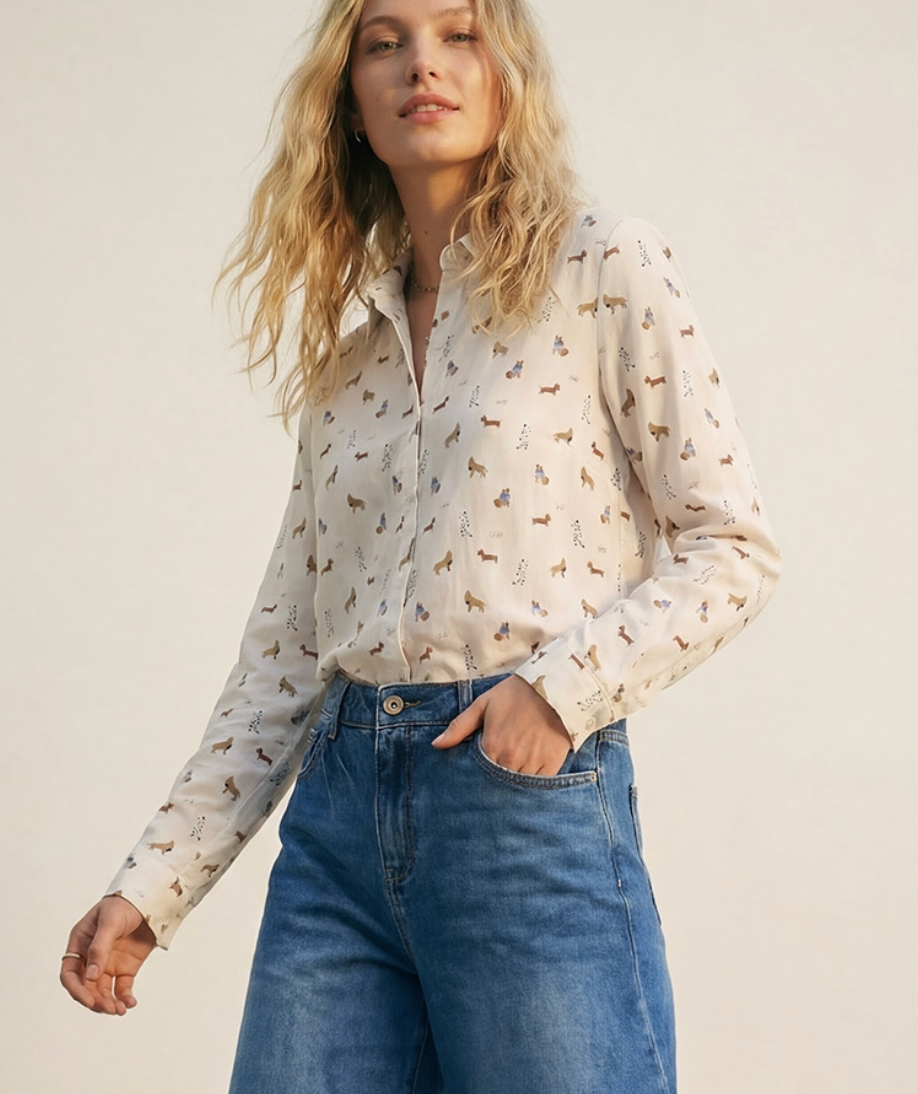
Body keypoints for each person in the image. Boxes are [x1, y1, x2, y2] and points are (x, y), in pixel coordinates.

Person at [60, 1, 781, 1090]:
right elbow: (285, 654)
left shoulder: (602, 267)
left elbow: (732, 545)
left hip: (521, 814)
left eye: (459, 33)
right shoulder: (348, 368)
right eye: (384, 40)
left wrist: (557, 693)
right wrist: (154, 885)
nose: (421, 66)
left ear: (509, 74)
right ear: (347, 98)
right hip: (337, 832)